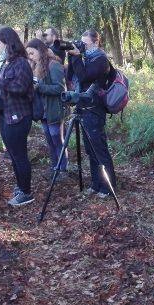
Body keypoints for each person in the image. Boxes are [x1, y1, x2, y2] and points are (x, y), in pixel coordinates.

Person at [0, 27, 35, 207]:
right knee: (12, 154)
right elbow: (2, 87)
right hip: (6, 115)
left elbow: (19, 88)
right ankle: (21, 187)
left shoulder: (21, 63)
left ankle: (26, 193)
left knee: (20, 155)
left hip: (18, 117)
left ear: (8, 43)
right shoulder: (7, 62)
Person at [67, 29, 118, 198]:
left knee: (99, 149)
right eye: (81, 43)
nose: (82, 46)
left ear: (96, 43)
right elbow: (70, 76)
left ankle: (109, 187)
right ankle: (96, 184)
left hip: (95, 111)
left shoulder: (101, 60)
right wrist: (70, 55)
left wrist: (76, 56)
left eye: (85, 43)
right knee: (90, 150)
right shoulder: (86, 58)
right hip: (83, 108)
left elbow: (83, 77)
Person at [26, 39, 67, 179]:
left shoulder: (54, 65)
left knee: (57, 140)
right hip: (43, 111)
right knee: (50, 140)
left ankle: (63, 170)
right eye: (29, 54)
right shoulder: (36, 66)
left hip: (54, 110)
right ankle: (55, 168)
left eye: (32, 53)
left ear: (40, 50)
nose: (30, 56)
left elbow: (60, 88)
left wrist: (39, 87)